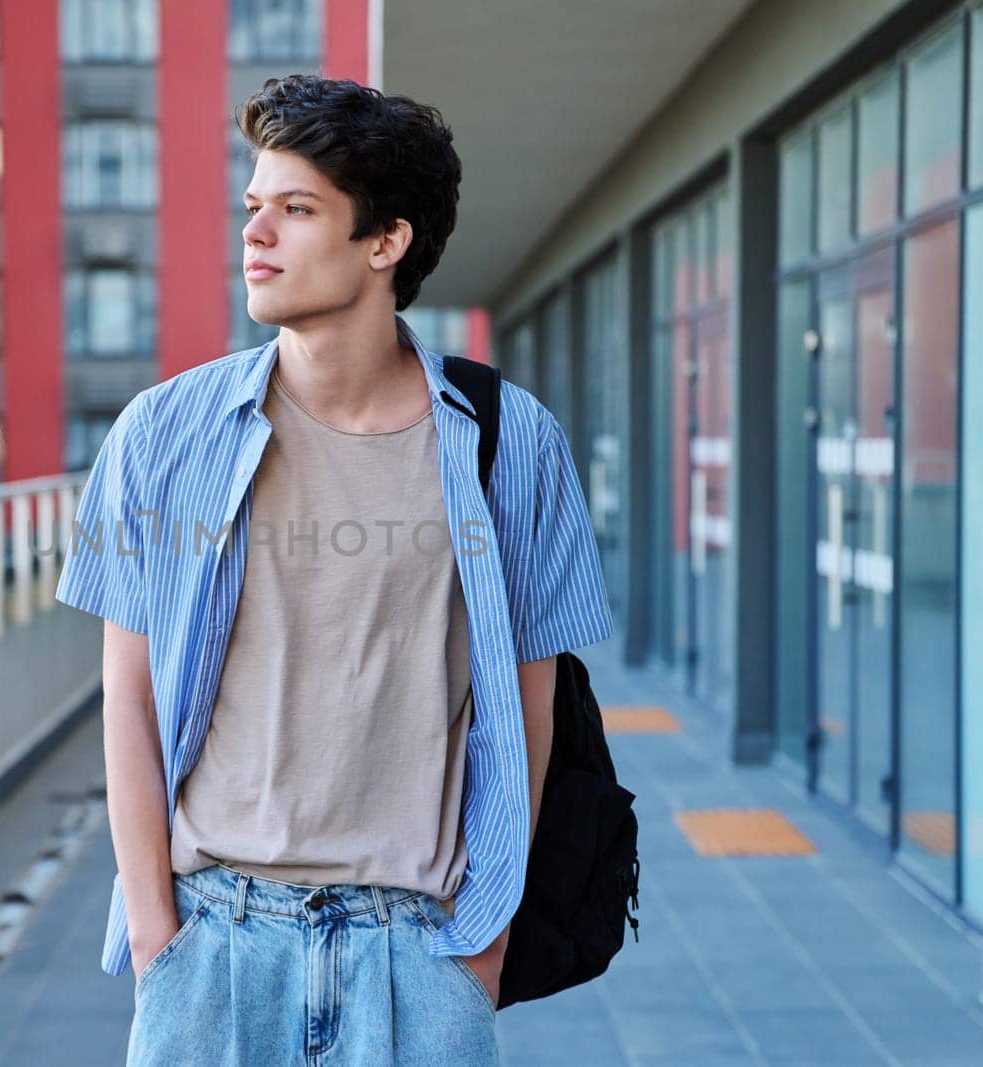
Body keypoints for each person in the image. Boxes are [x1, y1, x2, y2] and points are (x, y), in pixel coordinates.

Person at [54, 73, 614, 1065]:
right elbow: (126, 698)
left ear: (384, 241)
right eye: (252, 207)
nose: (255, 235)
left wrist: (480, 937)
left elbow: (526, 710)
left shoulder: (507, 440)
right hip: (213, 940)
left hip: (417, 945)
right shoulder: (165, 433)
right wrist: (155, 935)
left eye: (296, 209)